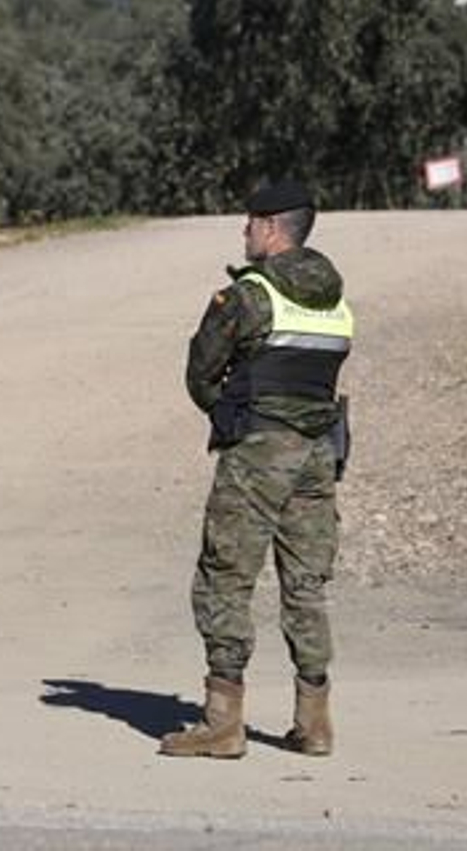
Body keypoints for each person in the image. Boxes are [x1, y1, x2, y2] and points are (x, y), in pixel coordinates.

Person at [160, 180, 354, 760]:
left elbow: (201, 371)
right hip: (319, 454)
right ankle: (314, 721)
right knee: (306, 584)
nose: (244, 232)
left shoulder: (247, 296)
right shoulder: (336, 302)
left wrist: (228, 411)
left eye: (249, 223)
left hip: (257, 453)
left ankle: (223, 722)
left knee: (226, 575)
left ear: (271, 227)